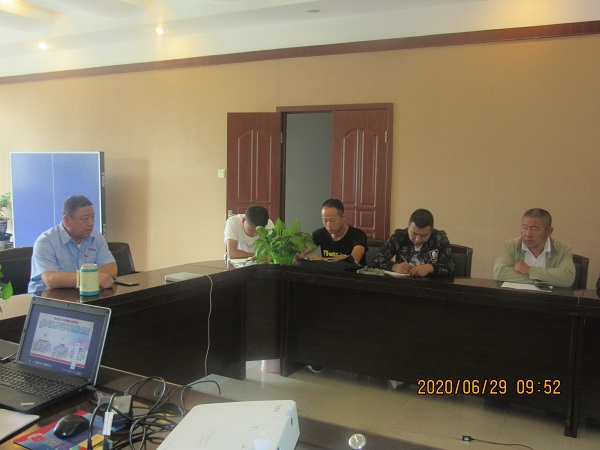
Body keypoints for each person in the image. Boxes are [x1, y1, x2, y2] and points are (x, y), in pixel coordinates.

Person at [29, 195, 117, 293]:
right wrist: (87, 278)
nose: (91, 223)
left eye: (93, 217)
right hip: (47, 298)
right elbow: (50, 279)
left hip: (80, 296)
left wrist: (79, 280)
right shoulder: (46, 242)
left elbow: (112, 268)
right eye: (85, 218)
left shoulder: (96, 237)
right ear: (67, 220)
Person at [493, 208, 575, 287]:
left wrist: (529, 270)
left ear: (549, 231)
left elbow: (567, 279)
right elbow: (499, 273)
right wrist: (545, 281)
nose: (528, 234)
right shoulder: (511, 246)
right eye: (524, 228)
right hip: (517, 295)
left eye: (534, 229)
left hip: (548, 297)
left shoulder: (563, 249)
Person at [371, 209, 454, 277]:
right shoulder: (399, 236)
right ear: (408, 226)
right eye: (414, 233)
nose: (417, 239)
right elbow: (376, 260)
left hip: (431, 287)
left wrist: (430, 268)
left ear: (431, 231)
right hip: (403, 285)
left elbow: (450, 267)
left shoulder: (439, 238)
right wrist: (394, 266)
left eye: (424, 235)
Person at [308, 199, 368, 265]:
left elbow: (354, 259)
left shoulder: (358, 235)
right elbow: (302, 250)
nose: (329, 225)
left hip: (353, 271)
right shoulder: (319, 234)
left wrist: (323, 260)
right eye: (325, 221)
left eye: (333, 220)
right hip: (330, 271)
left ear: (343, 217)